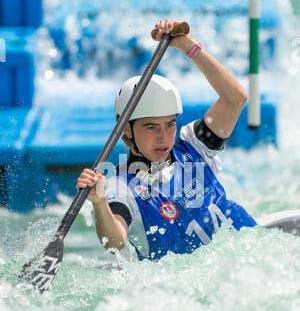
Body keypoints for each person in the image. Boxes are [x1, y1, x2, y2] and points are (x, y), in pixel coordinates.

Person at [77, 19, 256, 261]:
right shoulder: (119, 186)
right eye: (151, 127)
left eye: (170, 125)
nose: (164, 137)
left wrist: (186, 46)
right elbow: (115, 242)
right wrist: (100, 204)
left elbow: (235, 98)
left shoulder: (194, 146)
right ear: (127, 130)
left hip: (252, 259)